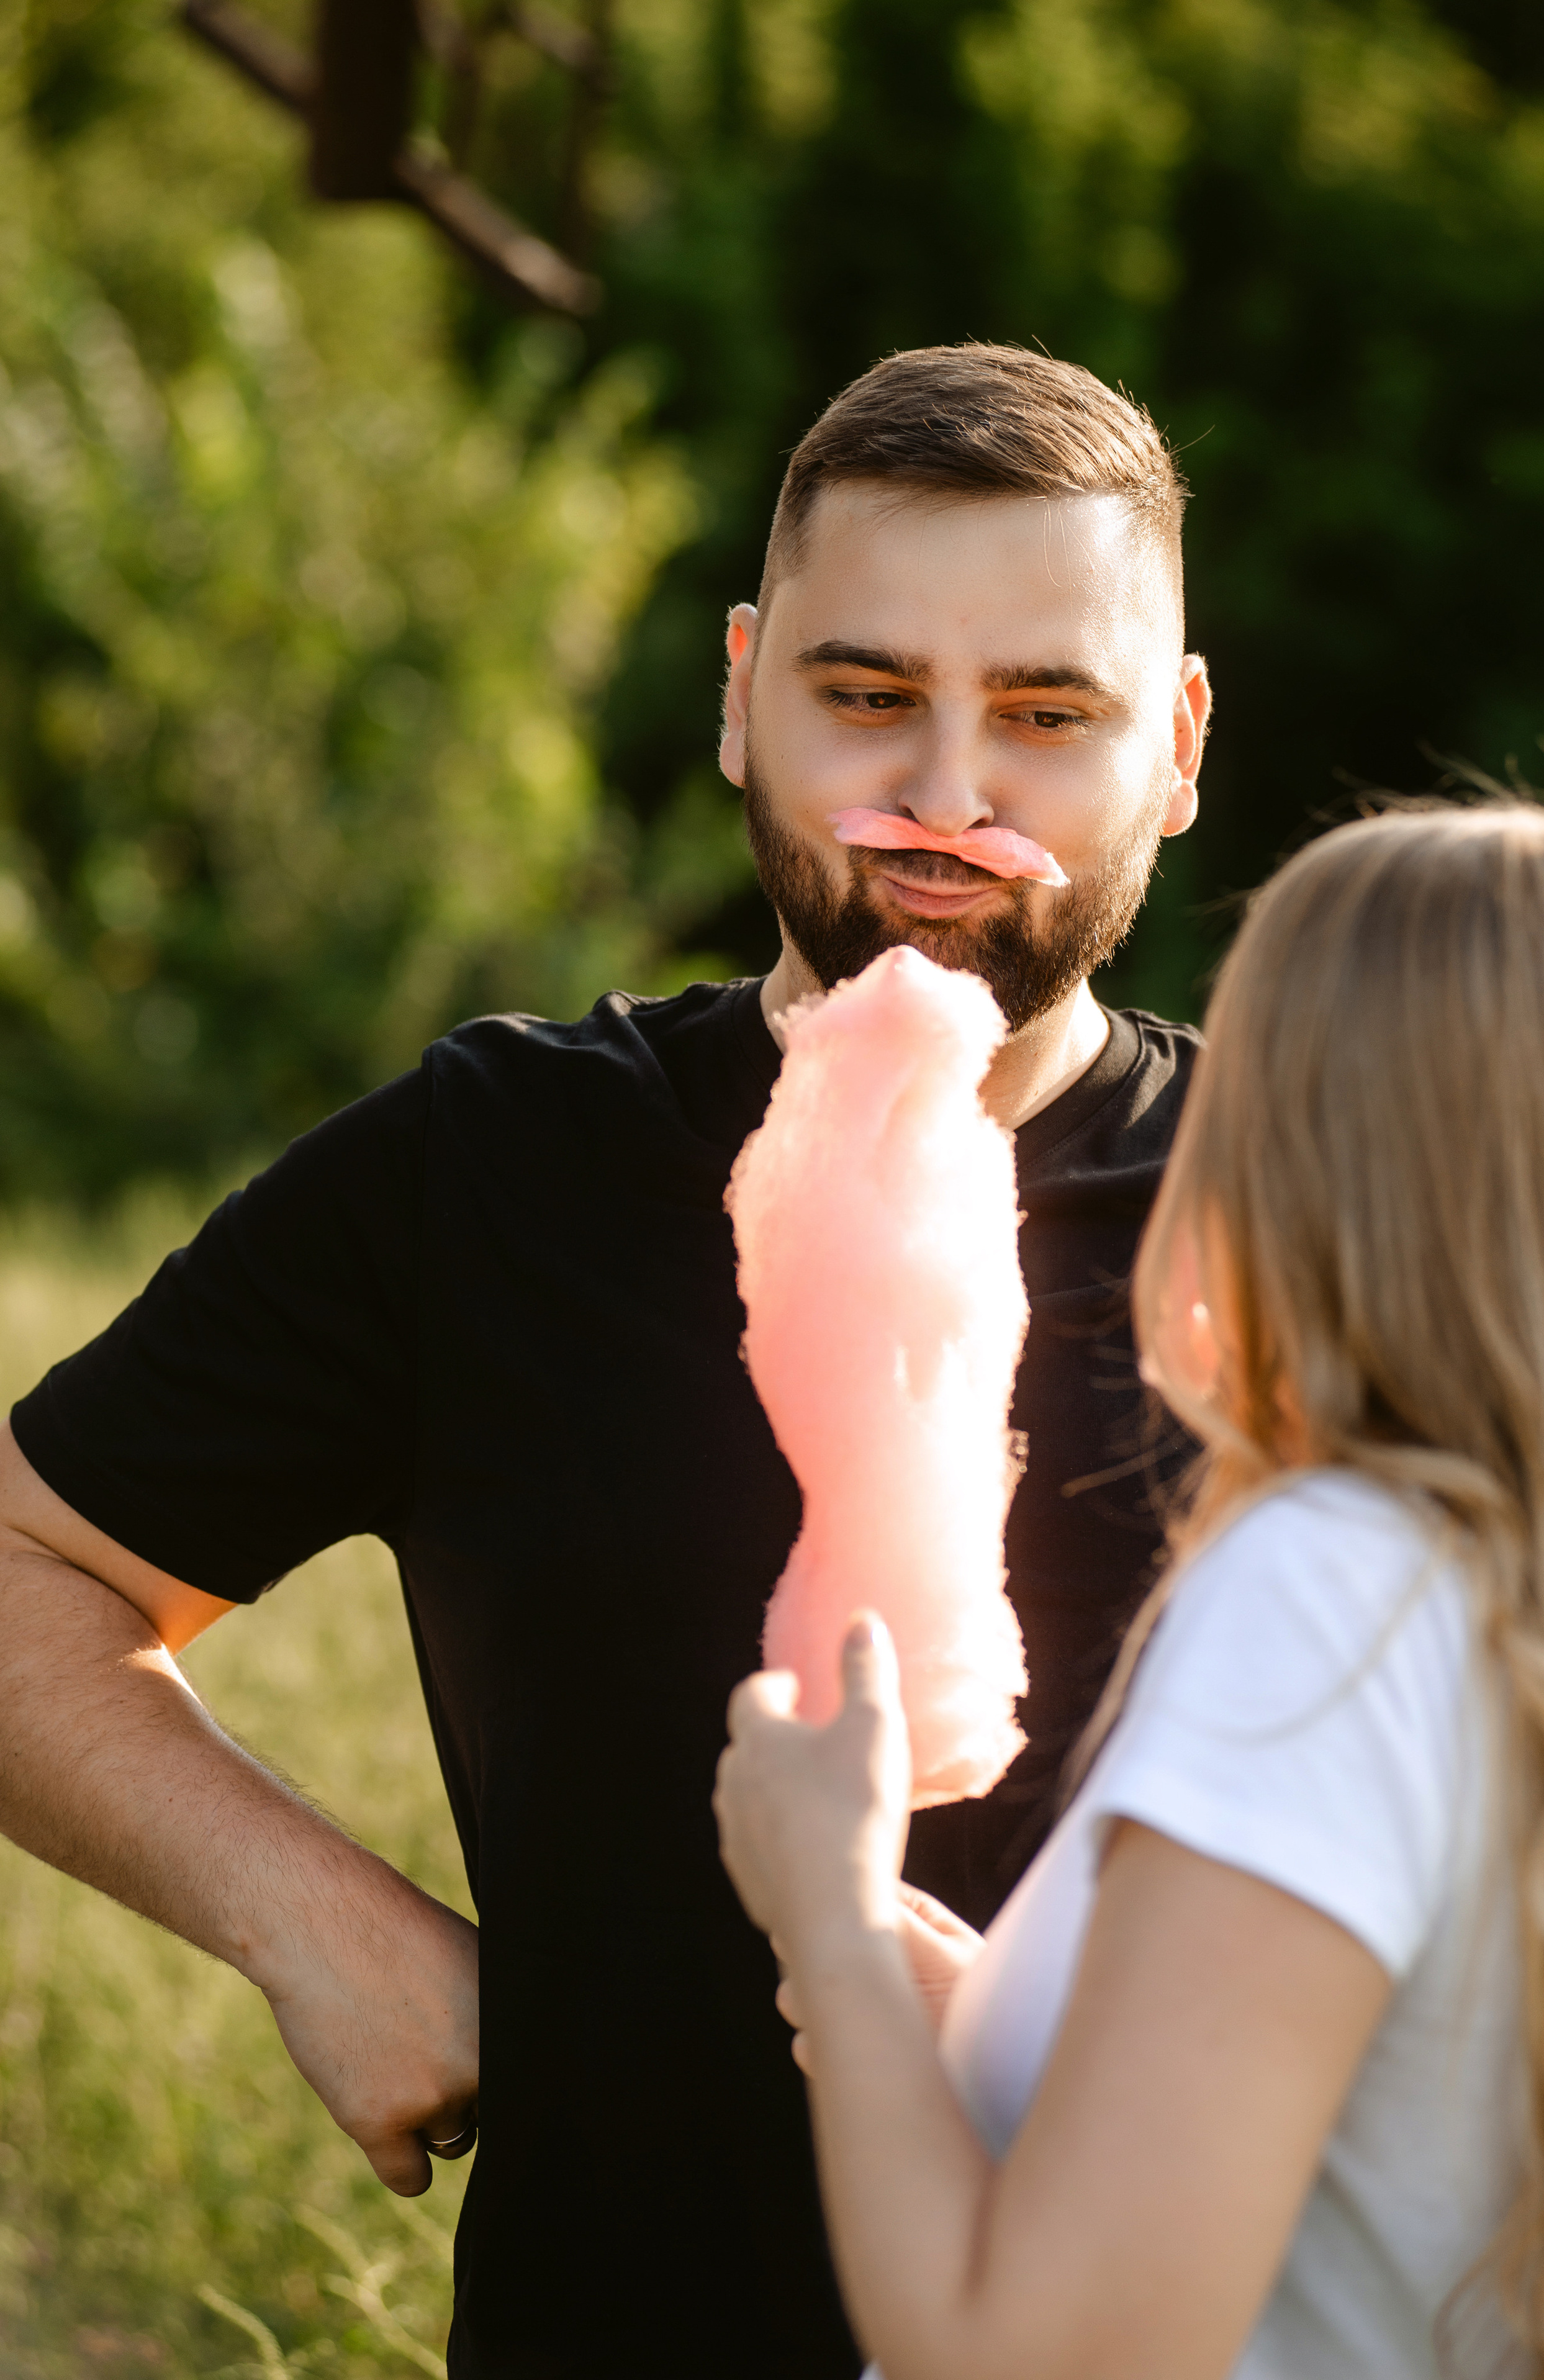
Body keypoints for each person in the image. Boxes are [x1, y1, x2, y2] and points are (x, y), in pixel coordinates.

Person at [0, 343, 1211, 2378]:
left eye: (1045, 712)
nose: (949, 787)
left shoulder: (1334, 1208)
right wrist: (314, 1924)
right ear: (740, 697)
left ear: (1176, 748)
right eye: (863, 692)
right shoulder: (501, 1167)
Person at [715, 798, 1544, 2380]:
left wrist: (829, 1919)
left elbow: (1045, 2355)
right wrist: (985, 2021)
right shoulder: (1514, 1593)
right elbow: (1376, 2143)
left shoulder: (1336, 1586)